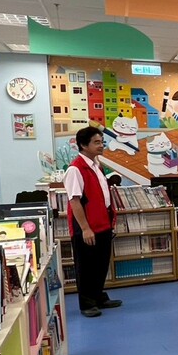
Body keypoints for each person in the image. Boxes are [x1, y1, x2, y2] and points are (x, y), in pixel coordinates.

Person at [64, 126, 122, 318]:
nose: (101, 145)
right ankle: (87, 303)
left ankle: (98, 297)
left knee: (100, 264)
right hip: (87, 227)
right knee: (86, 266)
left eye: (101, 142)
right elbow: (75, 201)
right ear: (83, 145)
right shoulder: (75, 169)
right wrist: (85, 228)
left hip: (103, 224)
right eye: (96, 142)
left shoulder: (97, 166)